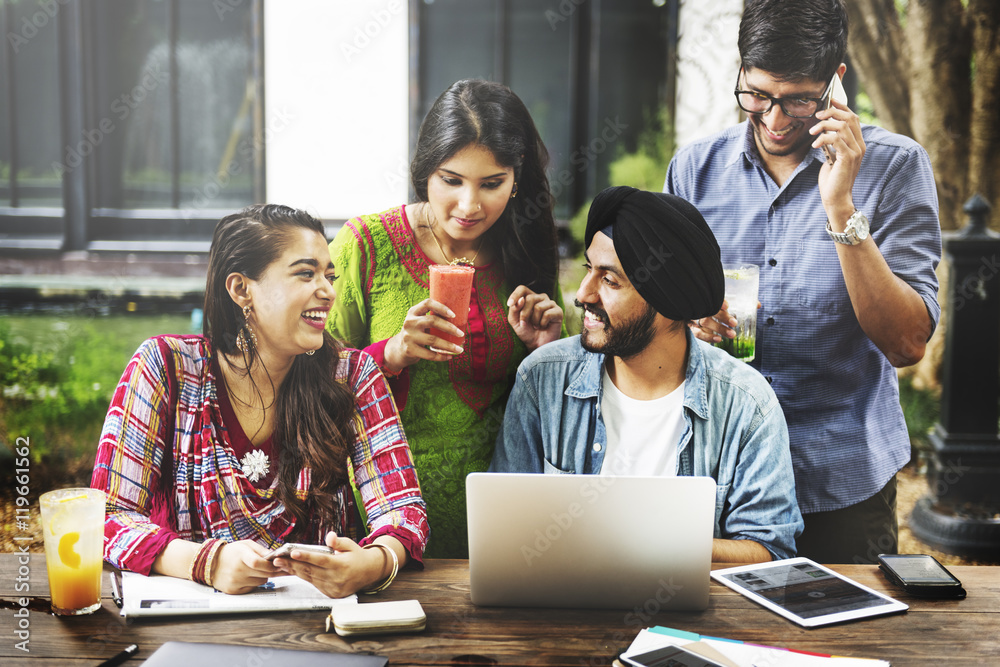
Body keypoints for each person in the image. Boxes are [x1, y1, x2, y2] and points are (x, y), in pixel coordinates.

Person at [664, 0, 941, 563]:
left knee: (843, 647)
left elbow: (907, 343)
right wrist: (686, 321)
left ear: (836, 82)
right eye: (758, 96)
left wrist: (840, 206)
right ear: (740, 72)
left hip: (840, 482)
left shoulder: (896, 167)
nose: (774, 119)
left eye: (797, 100)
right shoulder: (693, 170)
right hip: (721, 474)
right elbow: (656, 317)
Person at [91, 204, 428, 597]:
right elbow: (106, 517)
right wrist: (207, 563)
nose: (328, 291)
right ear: (241, 289)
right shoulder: (167, 367)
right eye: (306, 273)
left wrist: (375, 562)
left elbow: (404, 511)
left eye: (329, 275)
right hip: (190, 632)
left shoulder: (353, 375)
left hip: (323, 629)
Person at [491, 186, 803, 563]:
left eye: (609, 280)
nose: (583, 294)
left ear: (669, 302)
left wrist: (648, 543)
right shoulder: (541, 379)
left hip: (690, 619)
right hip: (560, 612)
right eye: (590, 270)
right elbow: (505, 533)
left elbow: (770, 549)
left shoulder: (746, 403)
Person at [328, 79, 566, 558]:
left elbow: (565, 405)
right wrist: (390, 354)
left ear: (517, 178)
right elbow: (304, 375)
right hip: (378, 511)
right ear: (424, 173)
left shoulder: (525, 247)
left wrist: (549, 348)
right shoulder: (366, 246)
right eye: (451, 180)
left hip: (502, 511)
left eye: (492, 184)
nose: (469, 206)